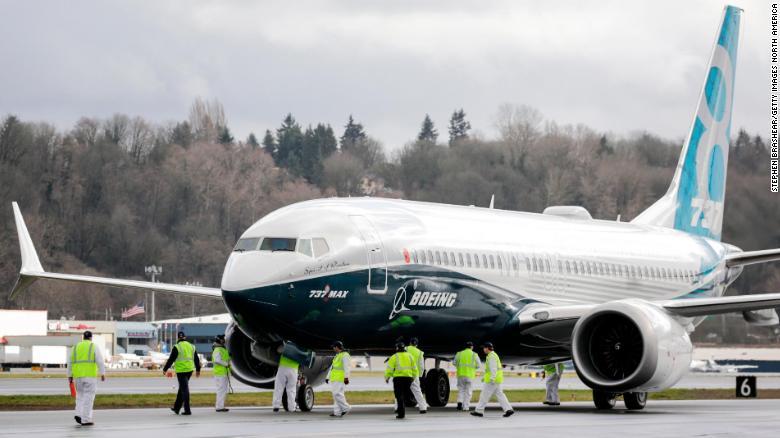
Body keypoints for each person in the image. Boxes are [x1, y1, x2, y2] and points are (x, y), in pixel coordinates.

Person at [68, 330, 105, 426]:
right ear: (91, 338)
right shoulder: (93, 346)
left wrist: (70, 375)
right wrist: (102, 373)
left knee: (80, 396)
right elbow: (100, 360)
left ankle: (78, 414)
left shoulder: (75, 347)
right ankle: (86, 419)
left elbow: (70, 362)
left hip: (78, 376)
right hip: (90, 376)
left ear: (83, 337)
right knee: (89, 398)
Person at [163, 331, 201, 415]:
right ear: (185, 337)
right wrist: (198, 370)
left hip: (181, 371)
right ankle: (176, 408)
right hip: (189, 370)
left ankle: (187, 410)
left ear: (178, 338)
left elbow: (171, 359)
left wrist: (165, 369)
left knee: (184, 389)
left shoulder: (177, 347)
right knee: (182, 388)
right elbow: (196, 359)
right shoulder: (191, 346)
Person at [471, 342, 514, 418]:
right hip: (496, 379)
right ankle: (508, 409)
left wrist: (492, 378)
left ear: (487, 348)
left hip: (492, 380)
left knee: (484, 395)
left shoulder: (491, 356)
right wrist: (485, 377)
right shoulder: (493, 355)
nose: (483, 349)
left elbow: (493, 369)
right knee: (500, 395)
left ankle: (479, 411)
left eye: (484, 348)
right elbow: (491, 369)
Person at [385, 341, 416, 419]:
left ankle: (401, 414)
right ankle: (402, 408)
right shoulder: (410, 356)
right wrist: (414, 377)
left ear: (397, 348)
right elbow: (414, 368)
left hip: (398, 379)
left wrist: (387, 377)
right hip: (408, 378)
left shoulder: (394, 357)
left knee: (399, 396)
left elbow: (389, 369)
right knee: (405, 395)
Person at [453, 341, 481, 411]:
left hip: (460, 375)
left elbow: (454, 363)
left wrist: (459, 367)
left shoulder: (459, 353)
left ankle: (459, 404)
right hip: (470, 376)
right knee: (468, 392)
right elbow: (479, 365)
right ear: (472, 347)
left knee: (461, 390)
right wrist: (473, 368)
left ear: (465, 347)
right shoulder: (474, 354)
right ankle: (466, 407)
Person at [326, 340, 351, 417]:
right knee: (335, 396)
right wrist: (327, 377)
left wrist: (346, 377)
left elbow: (347, 367)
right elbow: (332, 367)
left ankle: (346, 408)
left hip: (340, 378)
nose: (333, 349)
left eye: (333, 347)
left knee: (337, 394)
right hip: (334, 378)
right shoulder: (337, 355)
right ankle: (337, 412)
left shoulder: (345, 355)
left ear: (337, 347)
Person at [405, 338, 428, 414]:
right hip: (414, 375)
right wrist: (420, 375)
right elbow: (421, 366)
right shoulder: (420, 352)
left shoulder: (405, 349)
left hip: (404, 374)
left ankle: (397, 408)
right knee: (418, 392)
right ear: (416, 344)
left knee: (400, 392)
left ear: (410, 343)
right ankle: (423, 408)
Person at [212, 334, 231, 412]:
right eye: (223, 339)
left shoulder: (222, 349)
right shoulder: (218, 349)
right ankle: (219, 407)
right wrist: (226, 364)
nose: (224, 340)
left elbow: (225, 358)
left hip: (223, 372)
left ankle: (221, 406)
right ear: (220, 340)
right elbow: (217, 360)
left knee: (223, 390)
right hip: (220, 373)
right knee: (221, 390)